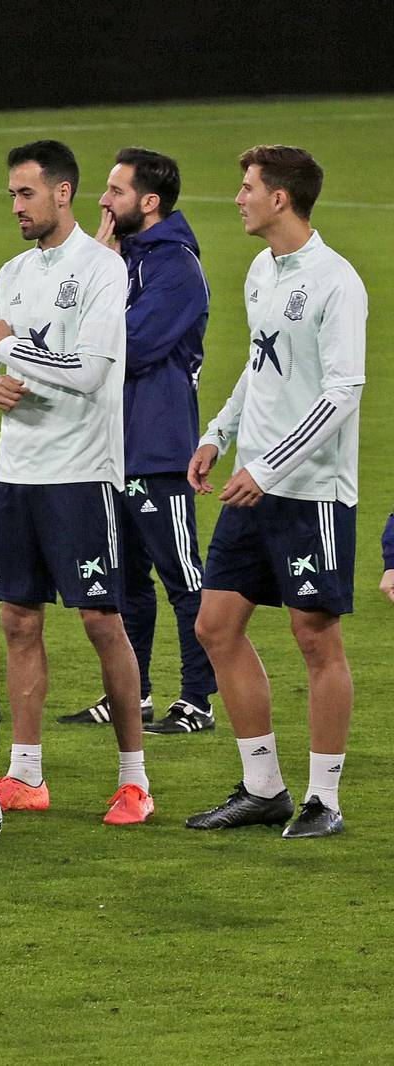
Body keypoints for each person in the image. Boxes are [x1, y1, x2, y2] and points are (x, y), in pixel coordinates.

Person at [0, 140, 154, 825]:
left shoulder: (102, 270)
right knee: (17, 619)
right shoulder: (12, 272)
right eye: (12, 195)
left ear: (62, 193)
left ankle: (134, 780)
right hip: (16, 472)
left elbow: (91, 371)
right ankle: (26, 773)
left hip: (80, 472)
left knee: (102, 619)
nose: (16, 206)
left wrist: (11, 347)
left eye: (26, 194)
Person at [185, 146, 367, 839]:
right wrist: (219, 435)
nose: (238, 198)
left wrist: (271, 467)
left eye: (248, 187)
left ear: (281, 198)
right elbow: (261, 370)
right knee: (215, 626)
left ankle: (325, 799)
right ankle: (263, 786)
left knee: (314, 636)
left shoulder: (336, 282)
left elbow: (342, 391)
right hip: (252, 484)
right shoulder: (262, 271)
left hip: (310, 490)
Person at [59, 147, 218, 733]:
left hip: (156, 445)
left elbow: (129, 348)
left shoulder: (175, 267)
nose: (102, 201)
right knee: (124, 580)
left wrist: (99, 275)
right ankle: (137, 693)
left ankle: (197, 700)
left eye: (116, 192)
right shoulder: (119, 257)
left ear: (149, 203)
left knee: (182, 578)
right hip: (106, 445)